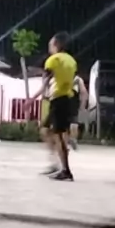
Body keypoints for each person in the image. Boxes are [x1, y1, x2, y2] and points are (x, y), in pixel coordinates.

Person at [30, 32, 77, 181]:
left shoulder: (53, 60)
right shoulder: (71, 61)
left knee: (58, 135)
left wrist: (32, 99)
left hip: (58, 99)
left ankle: (65, 170)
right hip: (66, 98)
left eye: (50, 44)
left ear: (56, 44)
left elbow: (45, 82)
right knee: (46, 131)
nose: (49, 47)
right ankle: (57, 163)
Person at [67, 74, 89, 150]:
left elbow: (84, 93)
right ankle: (73, 139)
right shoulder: (78, 79)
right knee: (74, 122)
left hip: (64, 101)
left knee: (64, 123)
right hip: (73, 102)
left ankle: (65, 141)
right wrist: (83, 105)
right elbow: (84, 93)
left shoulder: (62, 76)